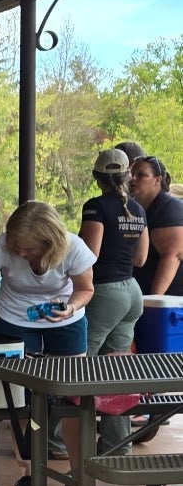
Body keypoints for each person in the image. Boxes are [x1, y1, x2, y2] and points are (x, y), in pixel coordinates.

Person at [0, 201, 95, 486]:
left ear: (49, 242)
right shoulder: (3, 246)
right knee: (20, 399)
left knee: (73, 398)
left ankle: (79, 475)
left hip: (65, 322)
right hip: (14, 319)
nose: (21, 254)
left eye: (29, 249)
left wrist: (71, 307)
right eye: (17, 247)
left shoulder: (74, 247)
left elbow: (86, 289)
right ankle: (29, 476)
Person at [78, 149, 148, 452]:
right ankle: (117, 445)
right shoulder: (138, 209)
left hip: (105, 292)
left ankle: (55, 439)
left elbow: (88, 255)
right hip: (132, 291)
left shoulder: (96, 207)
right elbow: (142, 259)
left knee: (76, 366)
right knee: (115, 370)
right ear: (127, 176)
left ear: (97, 178)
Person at [131, 156, 183, 298]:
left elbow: (173, 255)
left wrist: (154, 300)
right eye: (131, 174)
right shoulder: (136, 208)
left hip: (169, 302)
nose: (133, 178)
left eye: (141, 175)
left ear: (158, 180)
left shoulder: (169, 208)